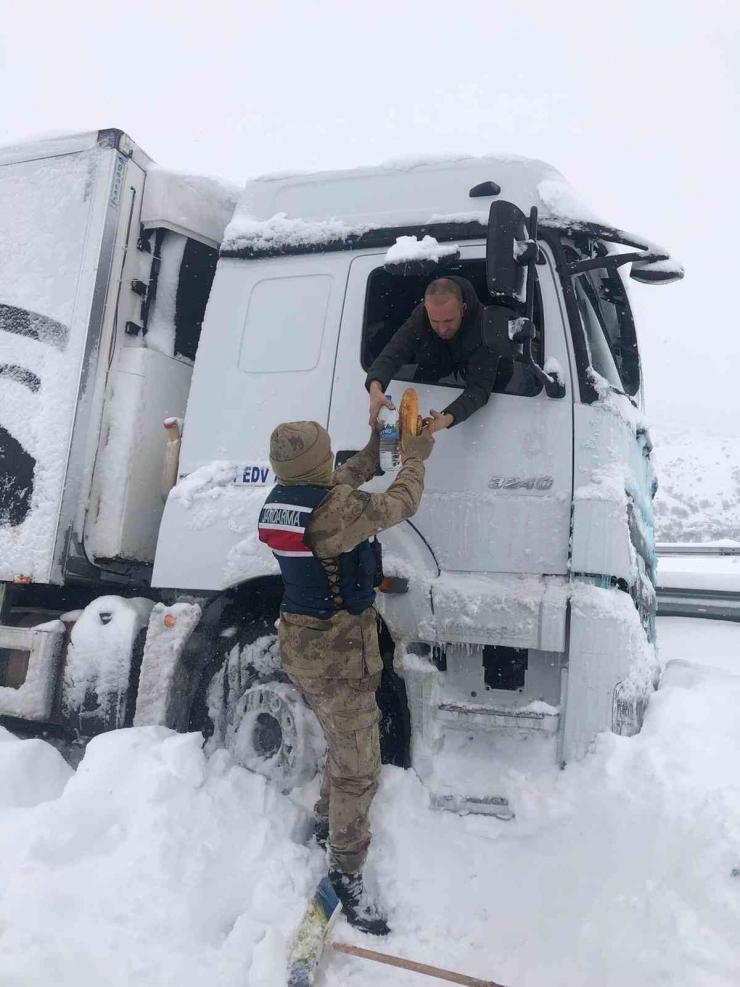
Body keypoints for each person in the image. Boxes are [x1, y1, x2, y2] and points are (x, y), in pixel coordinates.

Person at [258, 419, 434, 935]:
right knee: (359, 765)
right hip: (337, 657)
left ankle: (324, 820)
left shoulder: (284, 498)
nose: (334, 457)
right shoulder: (335, 513)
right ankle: (346, 873)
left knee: (341, 738)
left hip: (301, 645)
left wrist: (379, 445)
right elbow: (399, 504)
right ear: (314, 461)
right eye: (326, 452)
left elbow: (342, 480)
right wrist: (415, 457)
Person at [365, 275, 499, 432]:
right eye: (435, 321)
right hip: (432, 378)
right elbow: (392, 354)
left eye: (449, 321)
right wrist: (375, 388)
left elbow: (479, 388)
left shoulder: (487, 327)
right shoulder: (419, 319)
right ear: (426, 309)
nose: (442, 329)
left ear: (463, 309)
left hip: (494, 397)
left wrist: (448, 417)